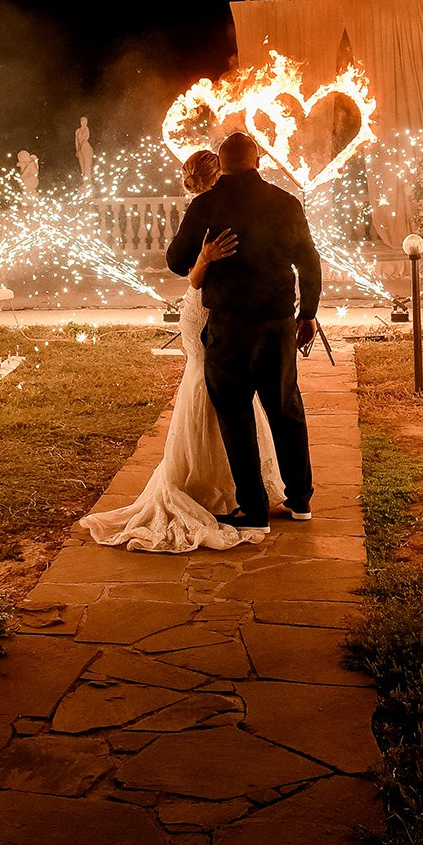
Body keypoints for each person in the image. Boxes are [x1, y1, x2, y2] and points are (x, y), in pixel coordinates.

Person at [79, 150, 286, 552]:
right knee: (208, 385)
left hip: (216, 310)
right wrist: (205, 258)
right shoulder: (210, 208)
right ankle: (206, 481)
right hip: (205, 308)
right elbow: (187, 270)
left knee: (222, 390)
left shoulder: (212, 206)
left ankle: (234, 483)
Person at [165, 130, 321, 533]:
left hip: (230, 327)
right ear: (258, 161)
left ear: (222, 165)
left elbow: (176, 261)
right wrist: (308, 314)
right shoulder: (285, 202)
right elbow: (309, 261)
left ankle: (254, 510)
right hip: (277, 323)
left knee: (235, 416)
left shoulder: (206, 204)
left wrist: (203, 256)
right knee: (286, 408)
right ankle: (300, 499)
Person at [75, 116, 94, 181]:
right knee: (82, 164)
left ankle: (88, 179)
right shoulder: (77, 131)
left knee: (87, 164)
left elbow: (86, 137)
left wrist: (80, 146)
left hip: (86, 147)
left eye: (86, 121)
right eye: (83, 121)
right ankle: (84, 179)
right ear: (81, 122)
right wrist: (77, 150)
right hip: (80, 149)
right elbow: (76, 141)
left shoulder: (86, 129)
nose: (84, 123)